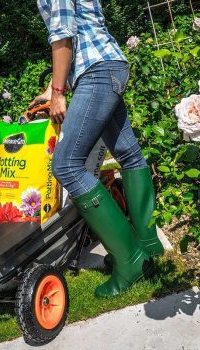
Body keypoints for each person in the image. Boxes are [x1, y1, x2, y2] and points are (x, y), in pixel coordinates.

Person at [33, 0, 164, 298]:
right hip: (110, 65)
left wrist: (58, 92)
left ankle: (130, 262)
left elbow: (63, 35)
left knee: (66, 164)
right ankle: (146, 246)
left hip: (97, 71)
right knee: (129, 154)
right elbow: (81, 29)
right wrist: (52, 88)